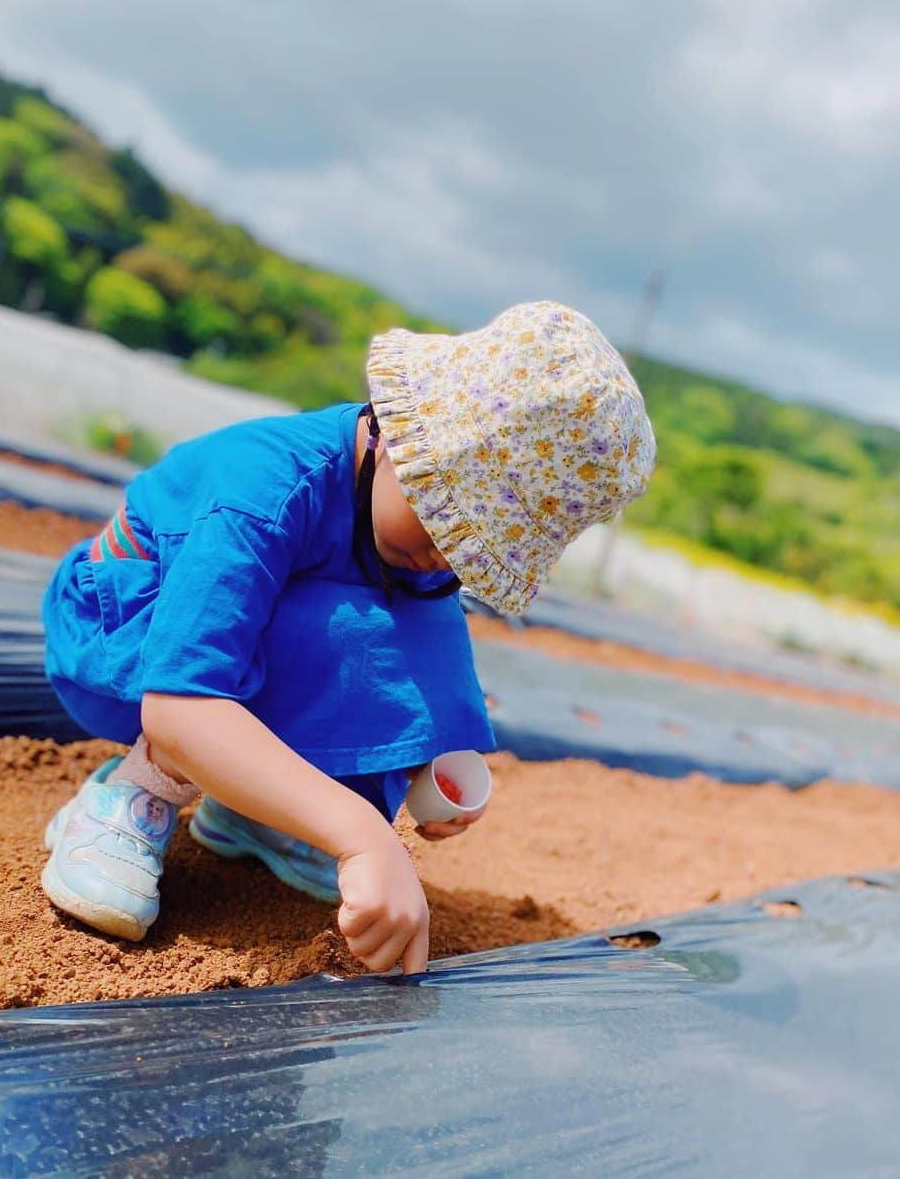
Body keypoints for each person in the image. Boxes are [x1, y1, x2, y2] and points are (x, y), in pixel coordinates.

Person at [40, 301, 655, 974]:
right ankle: (129, 797)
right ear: (399, 440)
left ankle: (258, 816)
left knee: (407, 623)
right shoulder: (261, 490)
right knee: (299, 620)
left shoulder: (403, 527)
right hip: (127, 629)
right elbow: (183, 701)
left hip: (239, 642)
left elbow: (428, 650)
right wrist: (364, 838)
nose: (446, 560)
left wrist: (429, 756)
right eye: (442, 530)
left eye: (473, 556)